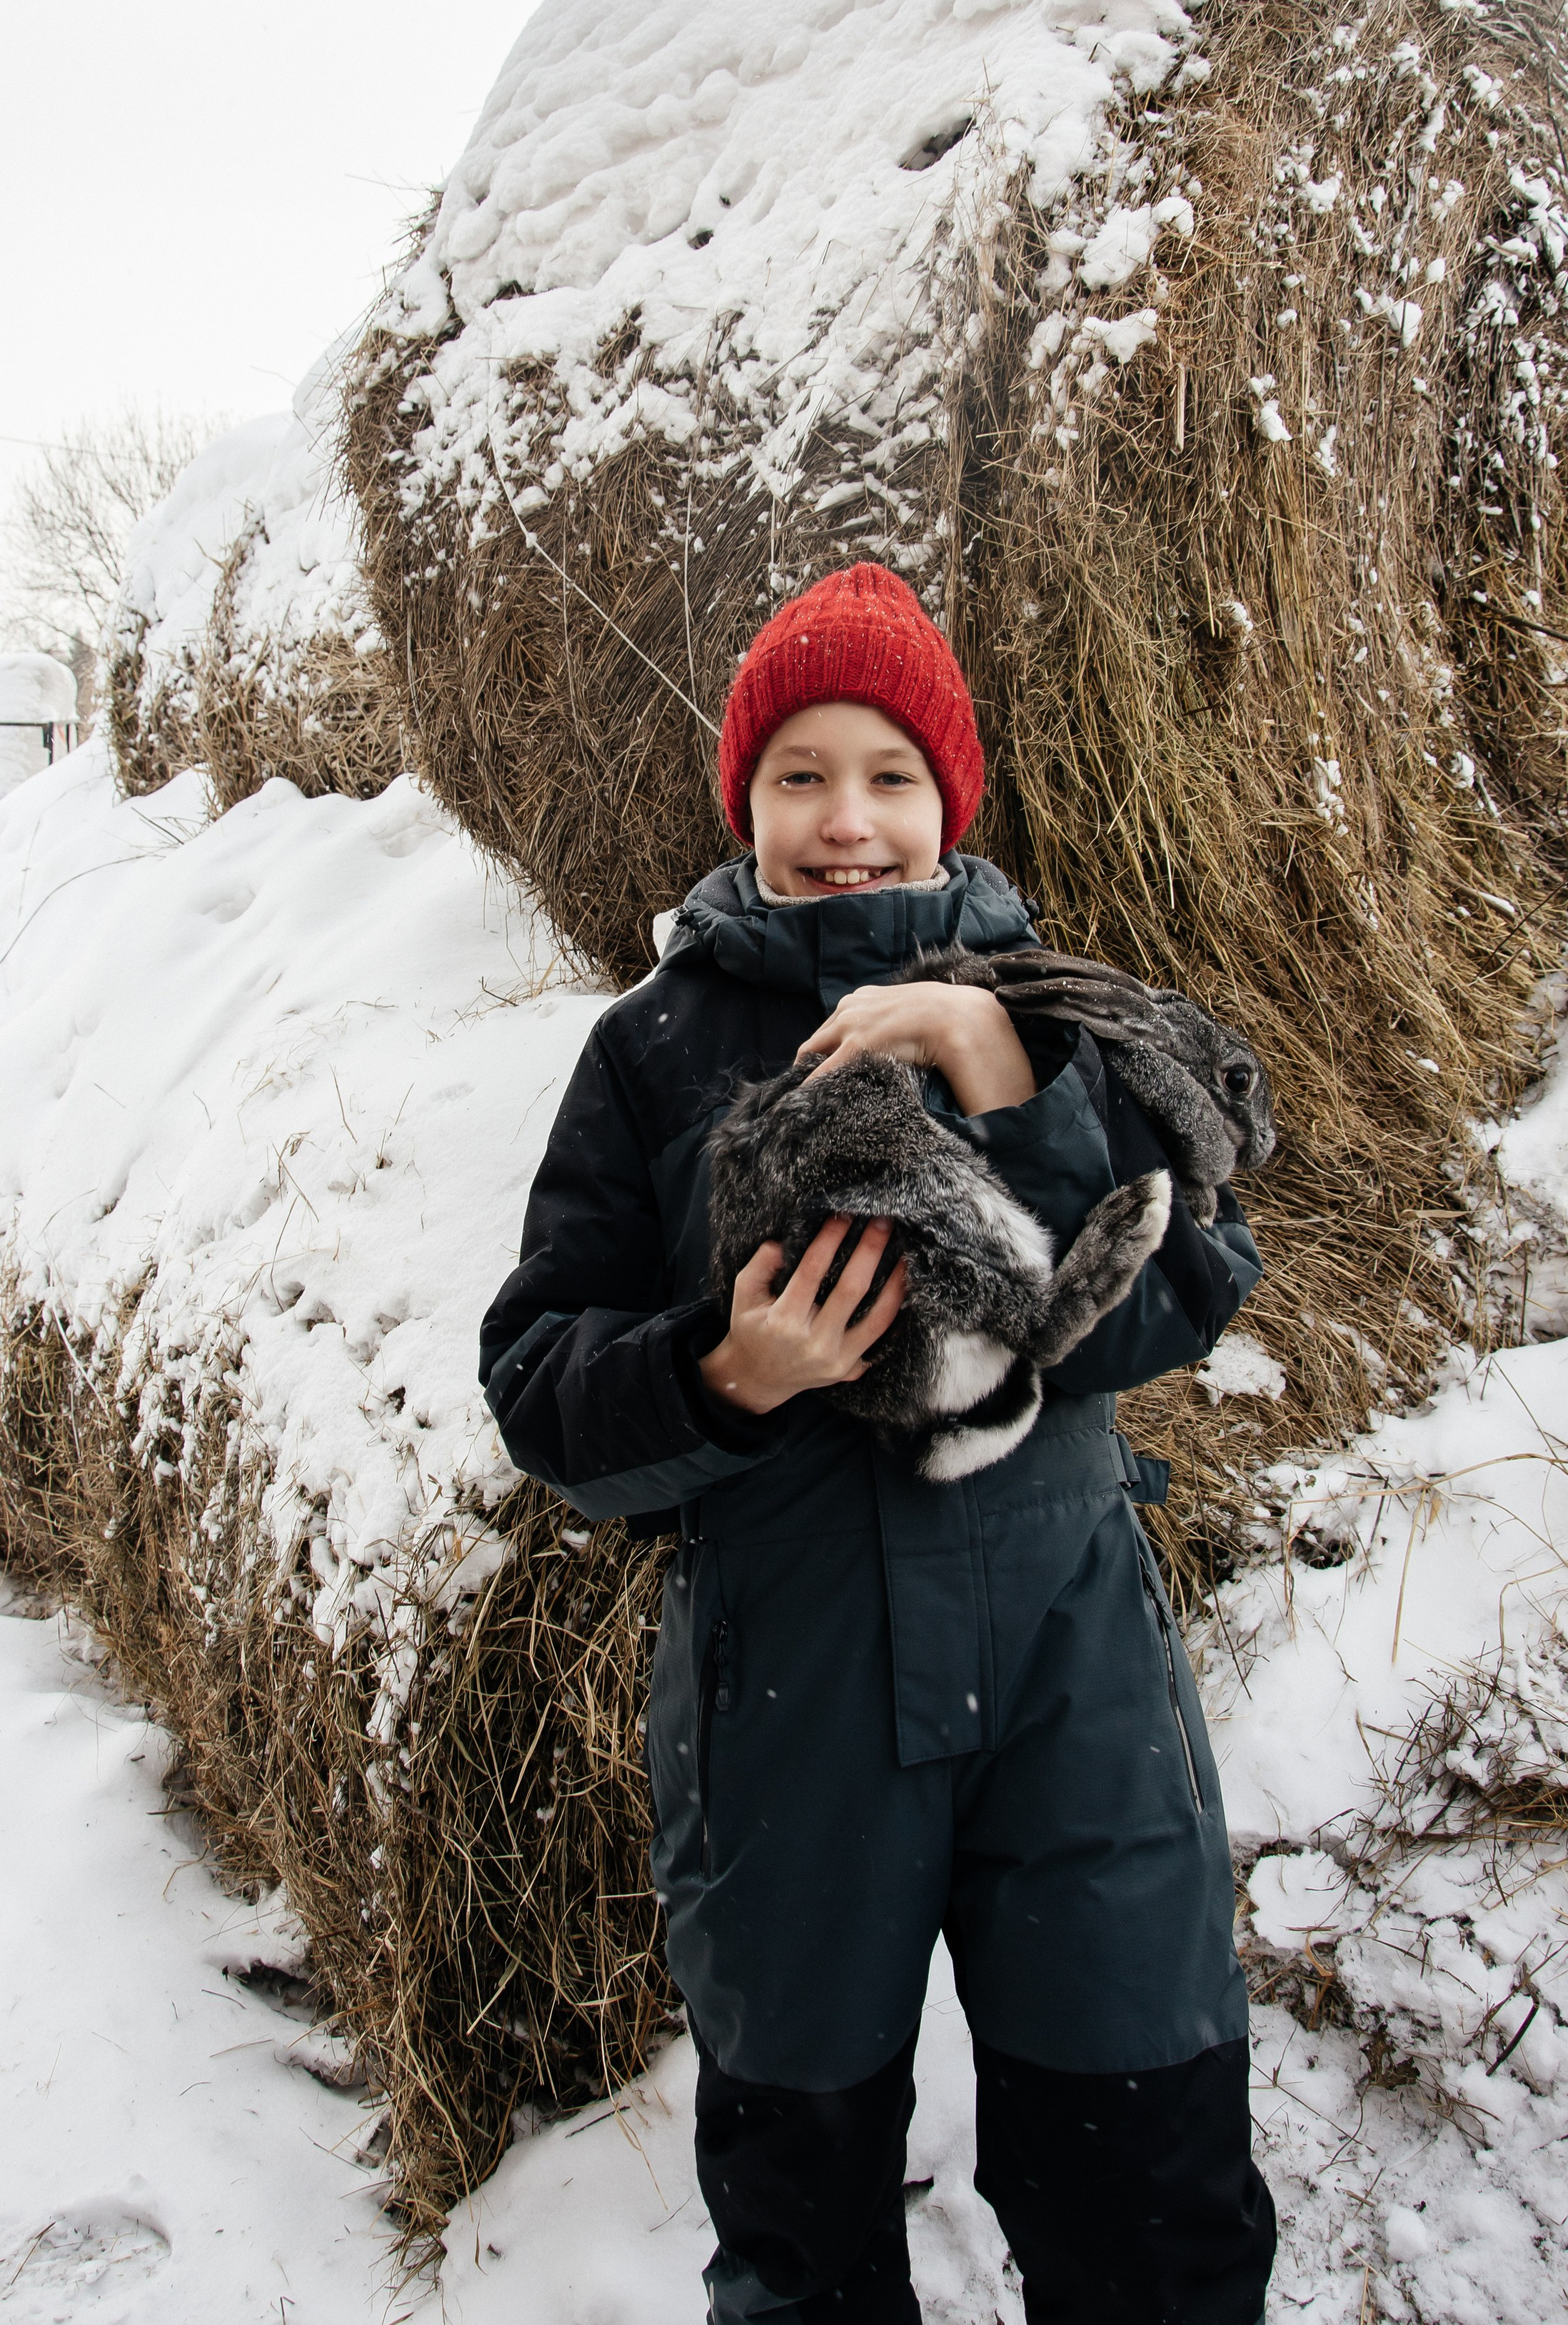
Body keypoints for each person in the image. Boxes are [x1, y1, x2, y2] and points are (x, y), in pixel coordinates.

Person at [481, 562, 1277, 2324]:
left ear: (950, 799)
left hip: (1078, 1697)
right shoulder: (652, 1052)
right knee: (803, 2212)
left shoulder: (1059, 1015)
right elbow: (541, 1386)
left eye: (889, 776)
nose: (846, 821)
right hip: (792, 1715)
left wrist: (1006, 1071)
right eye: (798, 776)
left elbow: (1176, 1294)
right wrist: (722, 1375)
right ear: (744, 802)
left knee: (1149, 2183)